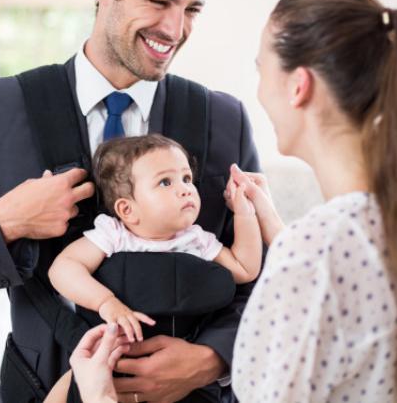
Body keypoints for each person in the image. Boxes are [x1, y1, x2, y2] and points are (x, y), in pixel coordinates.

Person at [62, 0, 397, 403]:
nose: (258, 92)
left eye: (261, 70)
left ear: (299, 86)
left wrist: (99, 397)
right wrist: (275, 228)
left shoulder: (317, 251)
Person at [0, 0, 261, 402]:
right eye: (159, 1)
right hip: (40, 387)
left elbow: (264, 277)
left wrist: (213, 357)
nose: (174, 28)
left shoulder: (223, 118)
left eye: (191, 10)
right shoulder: (2, 107)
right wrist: (9, 220)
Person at [49, 134, 262, 343]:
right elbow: (63, 268)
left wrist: (245, 214)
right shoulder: (115, 235)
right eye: (165, 182)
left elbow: (244, 269)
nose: (186, 190)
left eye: (187, 178)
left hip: (184, 353)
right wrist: (105, 302)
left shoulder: (195, 239)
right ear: (127, 209)